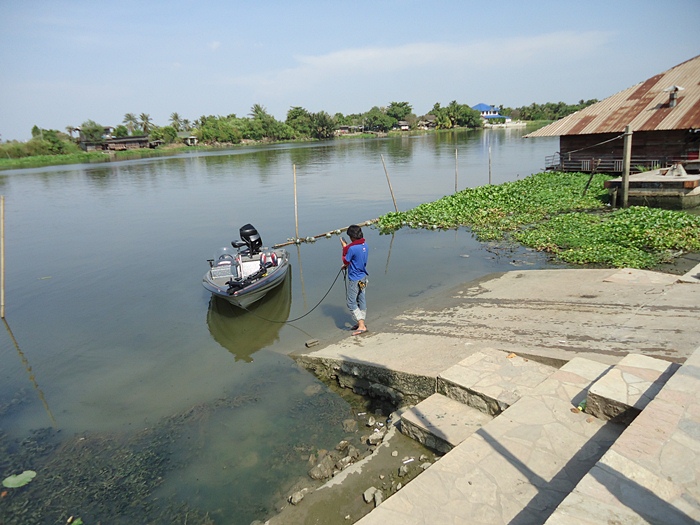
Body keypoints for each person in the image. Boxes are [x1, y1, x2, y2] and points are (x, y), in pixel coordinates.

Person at [341, 224, 369, 335]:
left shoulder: (351, 248)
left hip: (355, 279)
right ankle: (361, 322)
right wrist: (347, 265)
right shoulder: (365, 245)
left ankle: (361, 325)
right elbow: (357, 260)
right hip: (363, 276)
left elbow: (345, 260)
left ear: (352, 237)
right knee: (361, 299)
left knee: (351, 302)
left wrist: (344, 247)